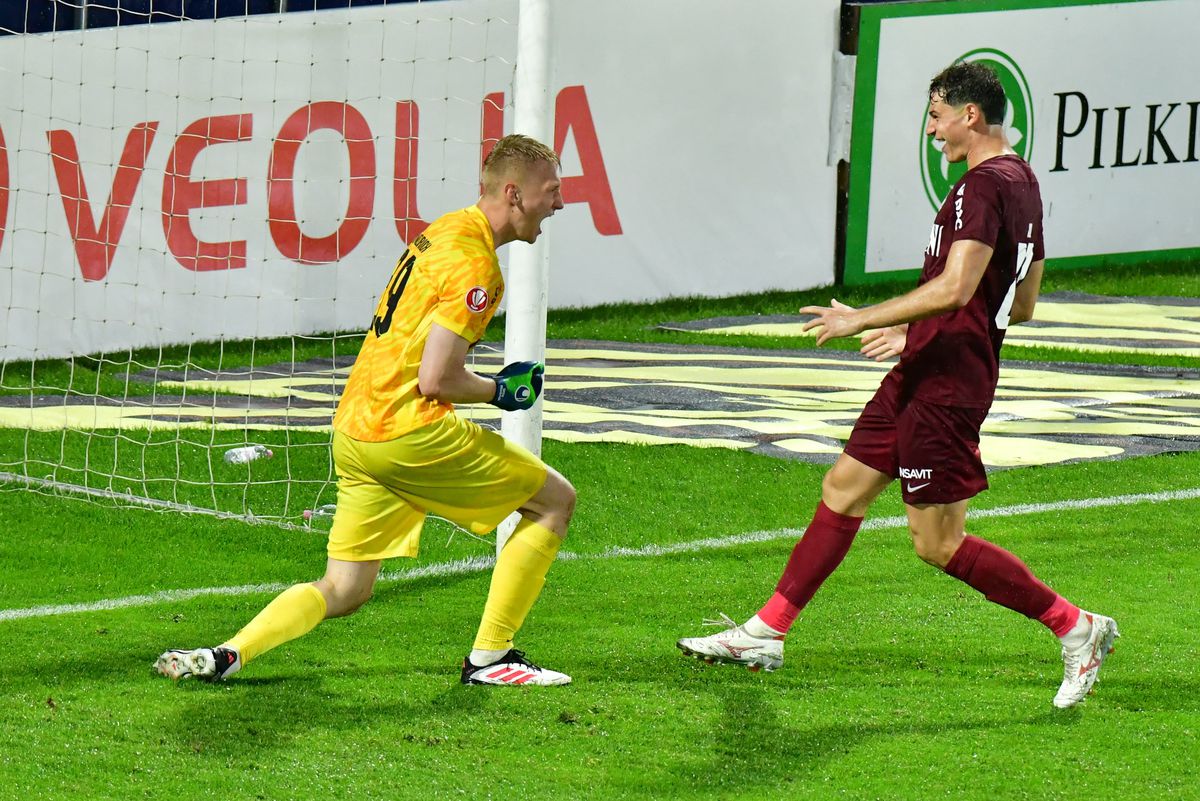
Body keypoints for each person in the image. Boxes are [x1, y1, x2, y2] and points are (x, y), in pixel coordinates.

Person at [676, 63, 1118, 708]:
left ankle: (1077, 628)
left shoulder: (979, 187)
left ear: (970, 116)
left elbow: (957, 288)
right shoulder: (1023, 181)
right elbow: (1019, 304)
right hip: (931, 365)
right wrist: (919, 337)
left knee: (936, 543)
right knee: (844, 487)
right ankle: (766, 632)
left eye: (938, 117)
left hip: (947, 384)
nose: (933, 131)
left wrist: (864, 318)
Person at [156, 134, 576, 687]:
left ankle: (225, 653)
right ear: (516, 194)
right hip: (409, 434)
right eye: (553, 192)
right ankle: (493, 657)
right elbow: (437, 378)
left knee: (345, 589)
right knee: (553, 503)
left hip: (356, 430)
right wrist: (501, 390)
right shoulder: (478, 267)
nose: (561, 205)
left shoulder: (445, 229)